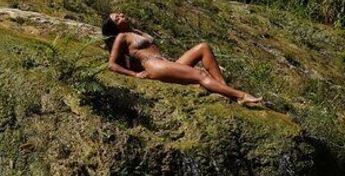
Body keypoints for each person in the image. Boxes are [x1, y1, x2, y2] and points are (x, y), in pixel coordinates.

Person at [101, 11, 264, 106]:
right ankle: (241, 96)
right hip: (154, 66)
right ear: (115, 27)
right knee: (200, 75)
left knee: (203, 47)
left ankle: (224, 88)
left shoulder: (136, 31)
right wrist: (135, 75)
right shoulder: (122, 37)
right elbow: (112, 64)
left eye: (120, 14)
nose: (121, 15)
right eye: (117, 18)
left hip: (165, 63)